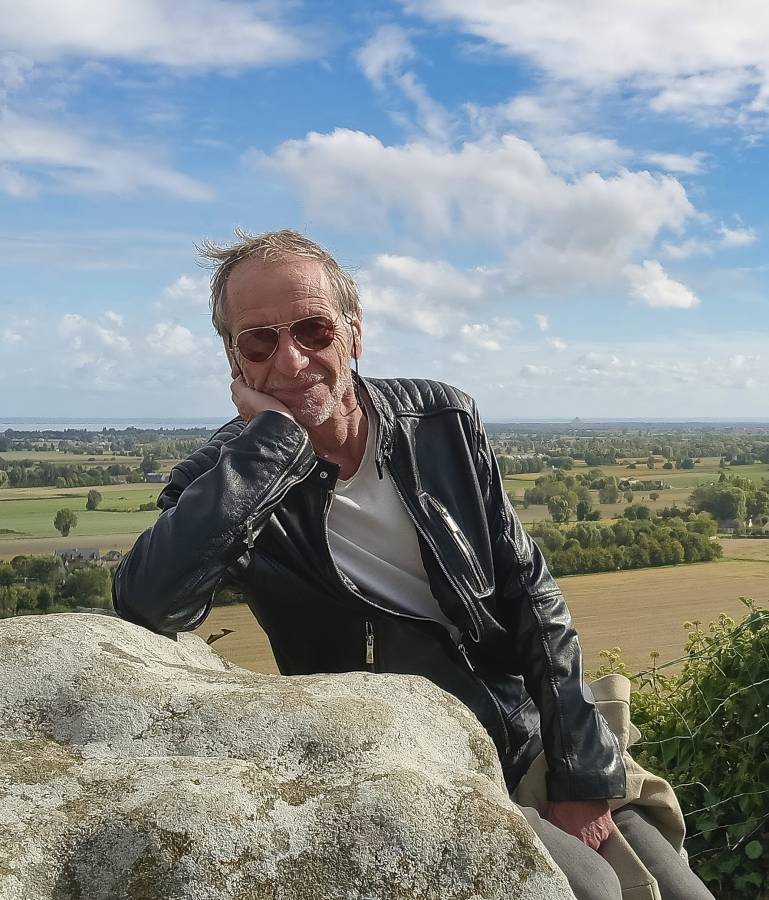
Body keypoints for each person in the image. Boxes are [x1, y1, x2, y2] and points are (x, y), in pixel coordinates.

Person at [113, 229, 713, 900]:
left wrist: (578, 774)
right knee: (591, 888)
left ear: (354, 332)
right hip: (404, 760)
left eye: (312, 329)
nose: (290, 359)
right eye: (258, 341)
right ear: (233, 358)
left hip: (520, 731)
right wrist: (272, 446)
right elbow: (147, 601)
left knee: (677, 889)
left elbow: (530, 595)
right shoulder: (227, 479)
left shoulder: (442, 420)